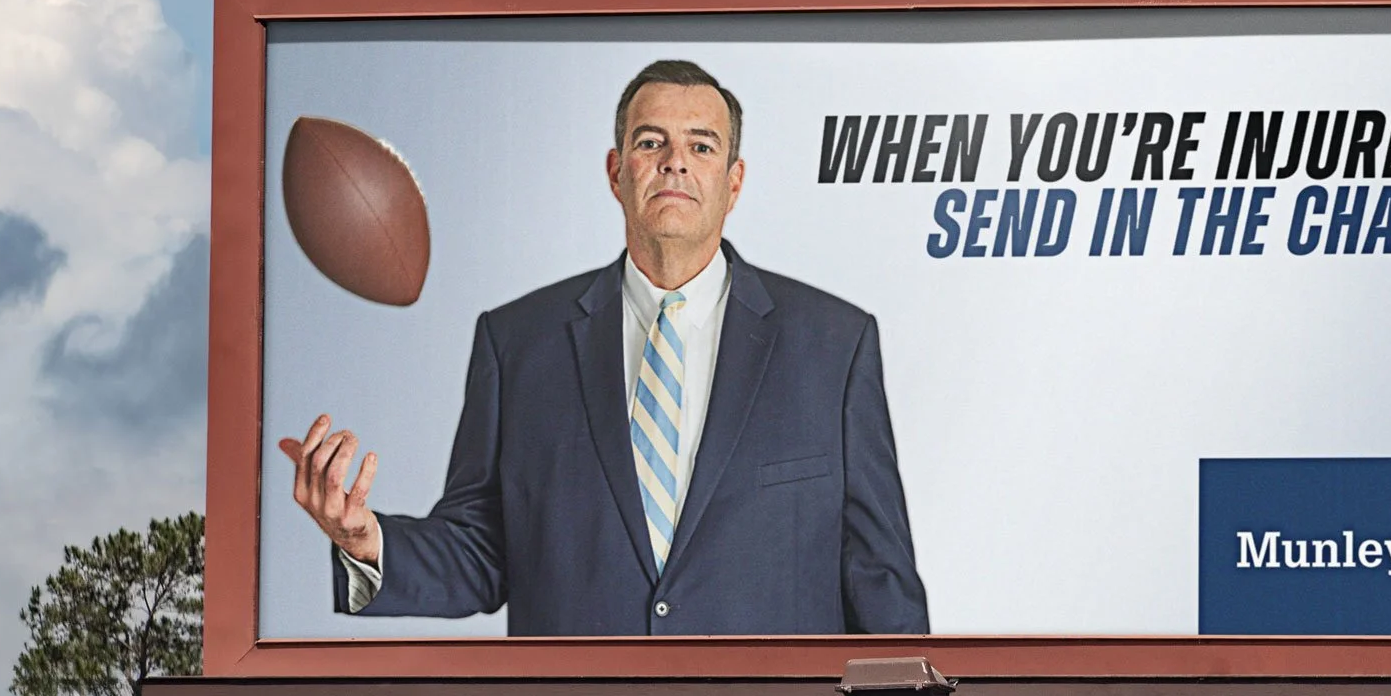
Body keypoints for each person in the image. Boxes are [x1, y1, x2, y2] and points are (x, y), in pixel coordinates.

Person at [279, 59, 929, 636]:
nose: (675, 160)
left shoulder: (834, 346)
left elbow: (881, 582)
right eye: (651, 142)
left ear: (734, 183)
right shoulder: (517, 344)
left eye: (701, 145)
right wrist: (367, 540)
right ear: (617, 173)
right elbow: (479, 552)